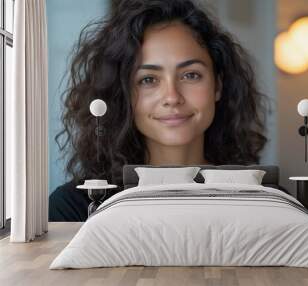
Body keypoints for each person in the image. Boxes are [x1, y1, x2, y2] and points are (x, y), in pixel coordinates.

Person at [49, 0, 268, 221]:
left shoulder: (268, 202)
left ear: (218, 86)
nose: (172, 97)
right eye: (148, 79)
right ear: (122, 93)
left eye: (191, 75)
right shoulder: (73, 208)